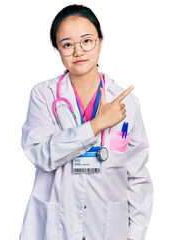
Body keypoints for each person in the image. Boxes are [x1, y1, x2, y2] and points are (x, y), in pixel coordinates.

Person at [19, 4, 153, 240]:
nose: (78, 51)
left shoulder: (127, 102)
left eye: (87, 41)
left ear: (100, 42)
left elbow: (137, 174)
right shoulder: (44, 95)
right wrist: (96, 124)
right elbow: (41, 155)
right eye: (67, 44)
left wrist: (135, 232)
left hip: (110, 227)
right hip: (55, 226)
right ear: (58, 49)